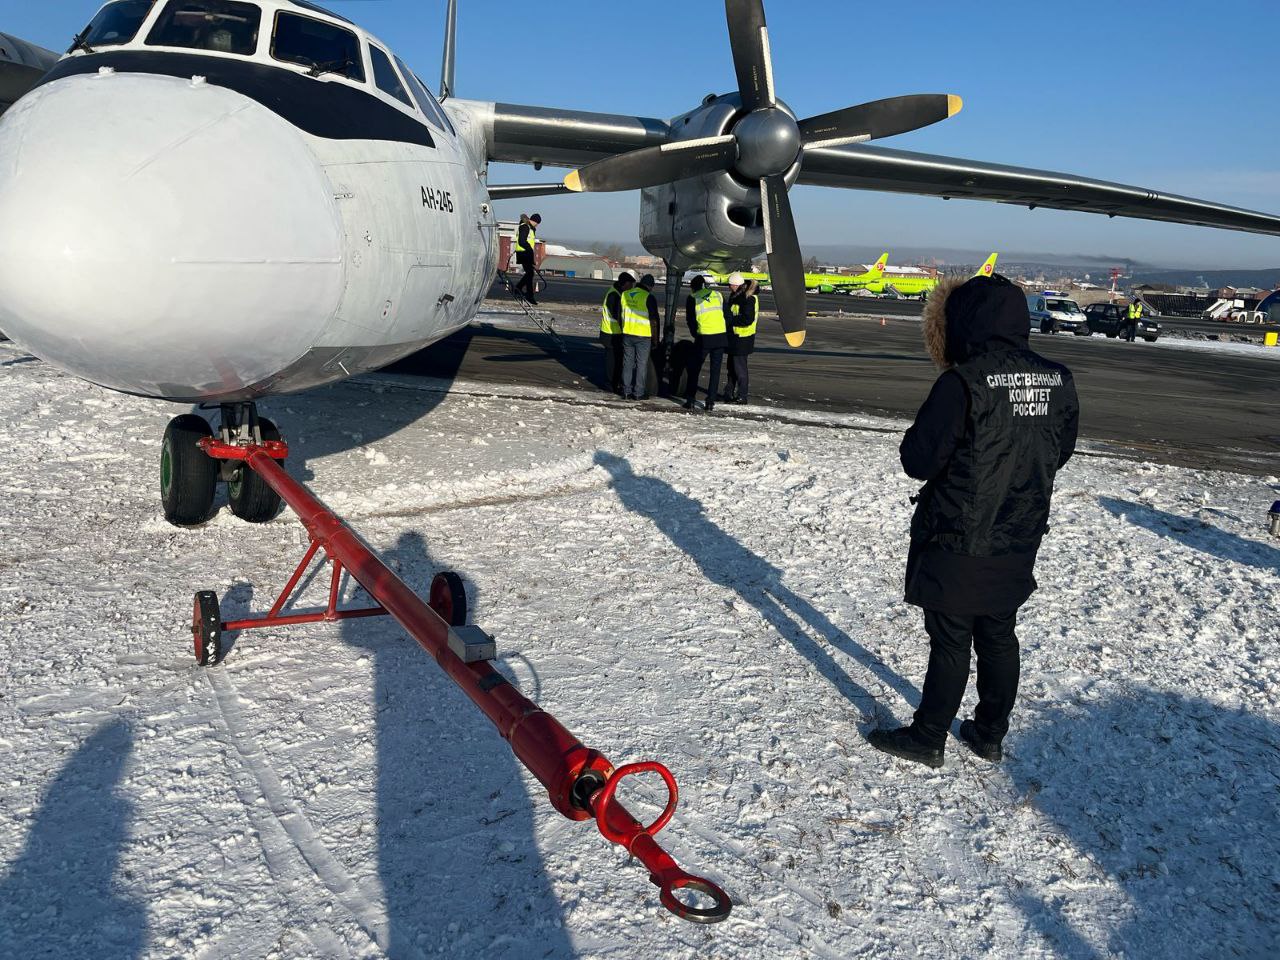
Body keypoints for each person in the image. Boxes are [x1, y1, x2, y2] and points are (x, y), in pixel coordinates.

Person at [868, 273, 1079, 769]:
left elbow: (918, 459)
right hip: (1019, 529)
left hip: (960, 531)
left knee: (951, 637)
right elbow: (1058, 451)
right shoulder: (1058, 378)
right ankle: (989, 733)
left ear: (964, 321)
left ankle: (928, 735)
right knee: (999, 632)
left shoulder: (964, 382)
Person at [682, 276, 728, 413]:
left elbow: (690, 320)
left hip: (704, 338)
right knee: (715, 371)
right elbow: (727, 315)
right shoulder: (718, 295)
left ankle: (690, 399)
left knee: (694, 369)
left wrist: (695, 334)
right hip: (720, 337)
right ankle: (710, 402)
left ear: (693, 286)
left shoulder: (693, 298)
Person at [620, 274, 661, 400]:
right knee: (641, 365)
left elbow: (620, 315)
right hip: (643, 336)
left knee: (627, 363)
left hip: (627, 334)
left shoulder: (625, 294)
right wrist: (655, 339)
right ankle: (638, 393)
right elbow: (653, 321)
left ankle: (626, 391)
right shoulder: (649, 297)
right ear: (650, 286)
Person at [724, 274, 759, 404]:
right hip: (734, 337)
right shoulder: (737, 297)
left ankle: (742, 395)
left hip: (742, 338)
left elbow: (747, 319)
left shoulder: (748, 298)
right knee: (731, 368)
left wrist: (730, 320)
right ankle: (728, 392)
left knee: (740, 369)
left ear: (737, 285)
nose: (729, 287)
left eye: (731, 285)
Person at [600, 272, 634, 395]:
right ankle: (610, 384)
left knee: (616, 360)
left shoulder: (616, 293)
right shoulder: (614, 295)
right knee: (613, 361)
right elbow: (617, 315)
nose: (632, 287)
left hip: (612, 333)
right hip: (611, 333)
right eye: (630, 284)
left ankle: (613, 383)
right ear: (625, 284)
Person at [513, 213, 541, 304]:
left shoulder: (529, 228)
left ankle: (521, 290)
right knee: (530, 273)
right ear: (534, 221)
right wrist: (529, 251)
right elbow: (522, 241)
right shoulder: (525, 227)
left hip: (526, 253)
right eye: (537, 223)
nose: (537, 225)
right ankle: (527, 293)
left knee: (530, 273)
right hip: (524, 252)